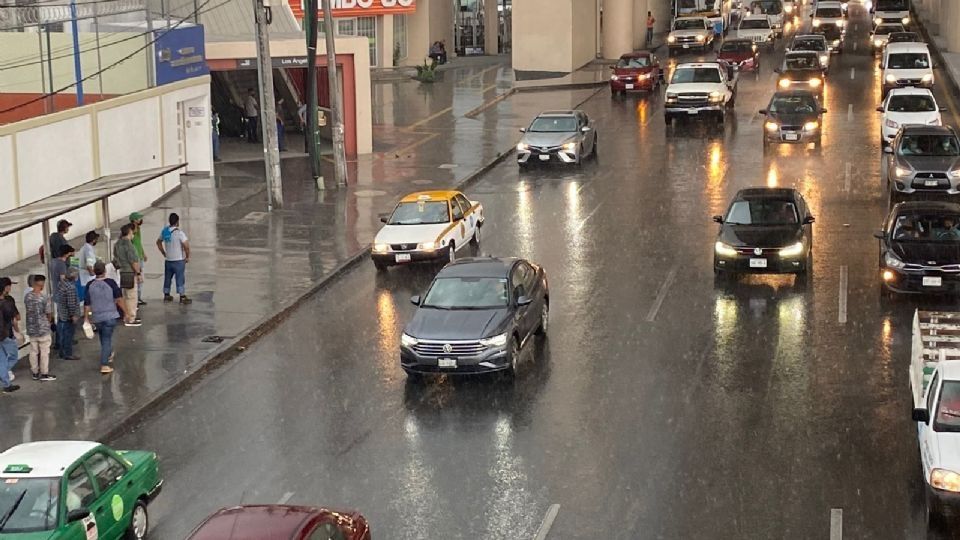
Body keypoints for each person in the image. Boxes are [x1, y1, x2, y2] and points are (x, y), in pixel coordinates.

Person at [84, 261, 123, 375]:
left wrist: (86, 318)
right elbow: (119, 299)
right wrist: (127, 312)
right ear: (105, 271)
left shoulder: (90, 285)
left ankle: (108, 354)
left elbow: (87, 303)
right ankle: (104, 364)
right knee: (107, 339)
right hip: (110, 316)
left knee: (103, 337)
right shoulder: (111, 283)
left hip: (97, 317)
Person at [24, 275, 55, 382]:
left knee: (33, 351)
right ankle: (44, 373)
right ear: (42, 284)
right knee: (44, 352)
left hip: (31, 328)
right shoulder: (44, 298)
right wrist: (49, 322)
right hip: (43, 329)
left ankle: (35, 372)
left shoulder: (27, 297)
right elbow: (48, 314)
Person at [157, 213, 192, 304]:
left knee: (168, 278)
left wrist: (163, 252)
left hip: (168, 260)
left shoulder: (165, 232)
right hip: (178, 260)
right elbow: (186, 246)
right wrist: (187, 256)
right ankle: (182, 296)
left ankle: (166, 294)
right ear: (177, 222)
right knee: (180, 278)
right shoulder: (179, 233)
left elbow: (158, 242)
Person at [114, 224, 142, 327]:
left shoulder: (117, 244)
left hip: (122, 272)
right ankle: (131, 318)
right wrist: (138, 273)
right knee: (132, 296)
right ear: (129, 232)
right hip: (130, 272)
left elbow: (115, 257)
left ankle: (126, 315)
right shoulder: (129, 245)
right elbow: (133, 261)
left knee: (125, 295)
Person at [57, 268, 81, 361]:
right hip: (68, 316)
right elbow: (71, 304)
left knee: (62, 334)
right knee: (68, 335)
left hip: (61, 313)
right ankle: (68, 353)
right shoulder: (71, 288)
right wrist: (73, 316)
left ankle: (62, 352)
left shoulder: (61, 284)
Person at [0, 278, 19, 394]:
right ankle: (3, 374)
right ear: (5, 288)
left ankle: (6, 383)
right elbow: (14, 320)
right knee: (13, 356)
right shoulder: (6, 303)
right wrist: (18, 332)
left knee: (1, 359)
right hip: (4, 334)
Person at [129, 212, 147, 306]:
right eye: (139, 219)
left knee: (140, 278)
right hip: (135, 258)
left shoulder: (138, 229)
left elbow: (139, 243)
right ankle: (137, 298)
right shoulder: (132, 231)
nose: (140, 220)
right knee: (138, 277)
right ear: (134, 220)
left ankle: (138, 297)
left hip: (139, 256)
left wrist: (143, 253)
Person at [77, 231, 100, 305]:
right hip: (88, 277)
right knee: (90, 296)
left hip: (84, 276)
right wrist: (93, 273)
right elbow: (89, 263)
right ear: (93, 240)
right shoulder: (88, 249)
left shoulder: (84, 247)